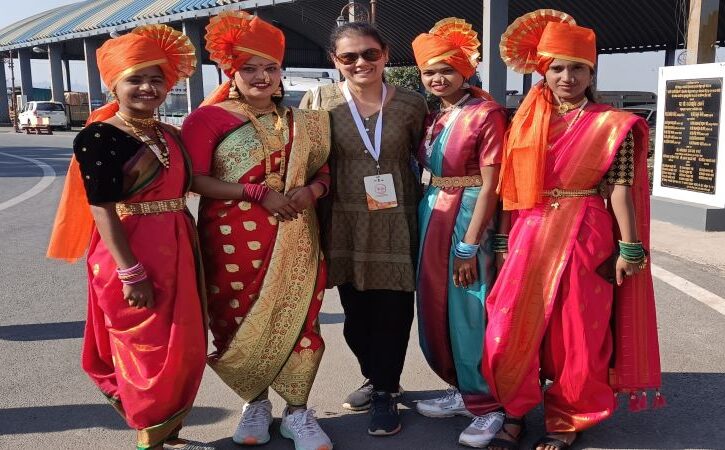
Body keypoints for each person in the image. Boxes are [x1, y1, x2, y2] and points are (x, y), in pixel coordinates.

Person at [482, 10, 663, 450]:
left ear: (591, 71)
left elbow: (620, 192)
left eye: (577, 67)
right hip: (527, 233)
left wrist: (630, 248)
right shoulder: (522, 122)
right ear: (543, 70)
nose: (567, 76)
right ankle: (515, 409)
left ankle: (566, 418)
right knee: (507, 327)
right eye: (557, 67)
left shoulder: (610, 125)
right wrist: (503, 240)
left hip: (588, 235)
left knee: (577, 332)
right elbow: (510, 190)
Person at [46, 25, 209, 450]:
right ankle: (148, 434)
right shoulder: (98, 137)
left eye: (157, 79)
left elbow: (196, 184)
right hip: (131, 254)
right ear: (114, 83)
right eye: (135, 78)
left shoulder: (169, 134)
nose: (147, 88)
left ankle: (167, 429)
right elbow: (101, 207)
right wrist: (130, 271)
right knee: (145, 350)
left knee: (185, 345)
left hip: (178, 246)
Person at [180, 11, 333, 450]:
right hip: (231, 238)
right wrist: (253, 192)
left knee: (302, 318)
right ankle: (256, 403)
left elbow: (324, 170)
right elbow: (196, 180)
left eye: (270, 68)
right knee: (236, 316)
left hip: (296, 234)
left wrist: (314, 190)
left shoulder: (303, 121)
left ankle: (299, 412)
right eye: (250, 69)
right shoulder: (208, 119)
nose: (262, 77)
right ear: (232, 72)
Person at [299, 22, 427, 436]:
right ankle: (375, 375)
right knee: (355, 316)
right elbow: (302, 158)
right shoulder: (319, 101)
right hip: (344, 220)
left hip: (397, 219)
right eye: (349, 56)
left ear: (386, 54)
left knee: (393, 310)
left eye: (369, 54)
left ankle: (387, 392)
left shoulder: (412, 103)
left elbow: (433, 155)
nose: (361, 63)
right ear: (335, 61)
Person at [410, 18, 507, 448]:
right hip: (433, 212)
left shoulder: (486, 114)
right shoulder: (435, 117)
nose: (437, 78)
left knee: (471, 308)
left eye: (446, 69)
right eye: (429, 71)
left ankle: (489, 403)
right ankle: (461, 387)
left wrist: (470, 244)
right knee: (439, 305)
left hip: (468, 217)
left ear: (465, 69)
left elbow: (491, 184)